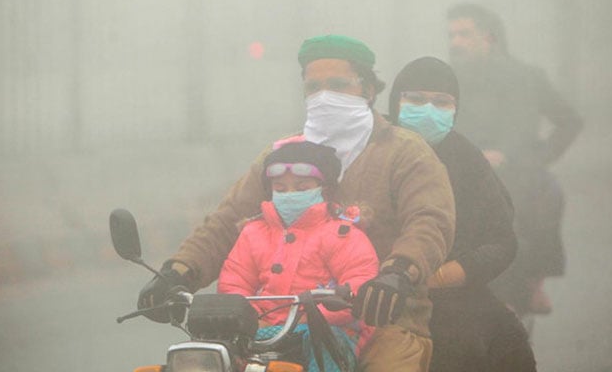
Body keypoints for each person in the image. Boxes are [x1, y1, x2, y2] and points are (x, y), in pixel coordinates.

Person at [138, 34, 456, 372]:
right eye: (313, 87)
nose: (324, 96)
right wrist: (178, 272)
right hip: (274, 328)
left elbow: (429, 221)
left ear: (368, 90)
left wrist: (397, 274)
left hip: (384, 319)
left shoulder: (405, 152)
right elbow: (226, 222)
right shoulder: (282, 157)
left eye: (338, 85)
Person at [387, 56, 537, 371]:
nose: (427, 110)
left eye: (441, 102)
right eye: (415, 99)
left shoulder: (467, 158)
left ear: (456, 109)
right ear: (394, 100)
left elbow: (501, 241)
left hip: (451, 296)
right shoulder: (371, 148)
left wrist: (440, 277)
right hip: (369, 290)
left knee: (503, 344)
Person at [446, 3, 584, 318]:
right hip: (463, 171)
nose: (455, 42)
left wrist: (538, 157)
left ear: (490, 37)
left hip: (520, 171)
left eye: (464, 34)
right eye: (451, 35)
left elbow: (569, 121)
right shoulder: (449, 80)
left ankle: (534, 283)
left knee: (548, 194)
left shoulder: (528, 77)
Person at [218, 139, 379, 372]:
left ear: (325, 189)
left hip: (326, 332)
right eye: (280, 189)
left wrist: (313, 317)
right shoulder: (253, 233)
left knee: (317, 342)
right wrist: (248, 319)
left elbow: (361, 284)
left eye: (302, 188)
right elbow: (234, 283)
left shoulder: (342, 234)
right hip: (260, 331)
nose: (290, 194)